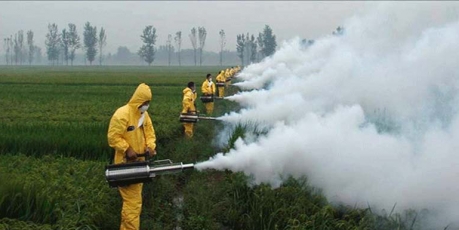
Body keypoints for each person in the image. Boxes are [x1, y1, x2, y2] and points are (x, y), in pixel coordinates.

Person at [107, 83, 157, 230]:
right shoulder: (122, 114)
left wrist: (150, 147)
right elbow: (113, 137)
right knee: (133, 205)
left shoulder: (144, 116)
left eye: (148, 103)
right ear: (138, 100)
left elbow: (150, 134)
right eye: (145, 102)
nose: (147, 105)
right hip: (125, 166)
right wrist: (127, 148)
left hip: (140, 164)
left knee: (133, 203)